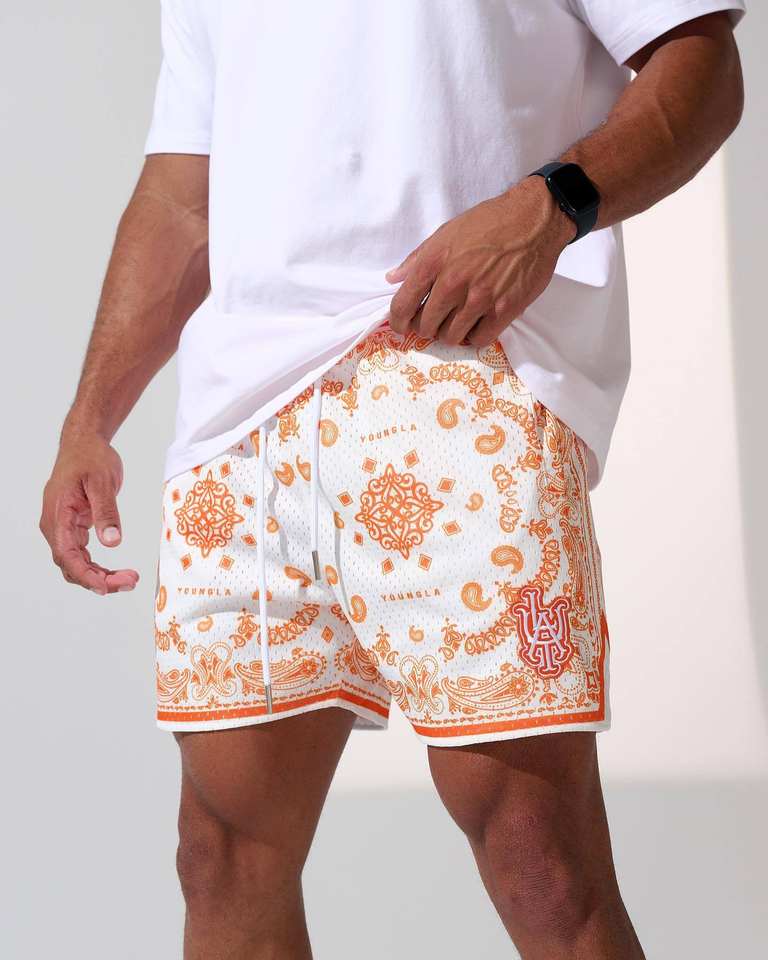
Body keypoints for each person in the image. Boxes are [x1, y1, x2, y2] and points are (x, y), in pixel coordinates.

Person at [40, 2, 746, 957]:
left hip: (459, 375)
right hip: (242, 427)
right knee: (222, 857)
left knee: (540, 861)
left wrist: (550, 206)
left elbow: (701, 65)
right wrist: (90, 418)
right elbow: (182, 195)